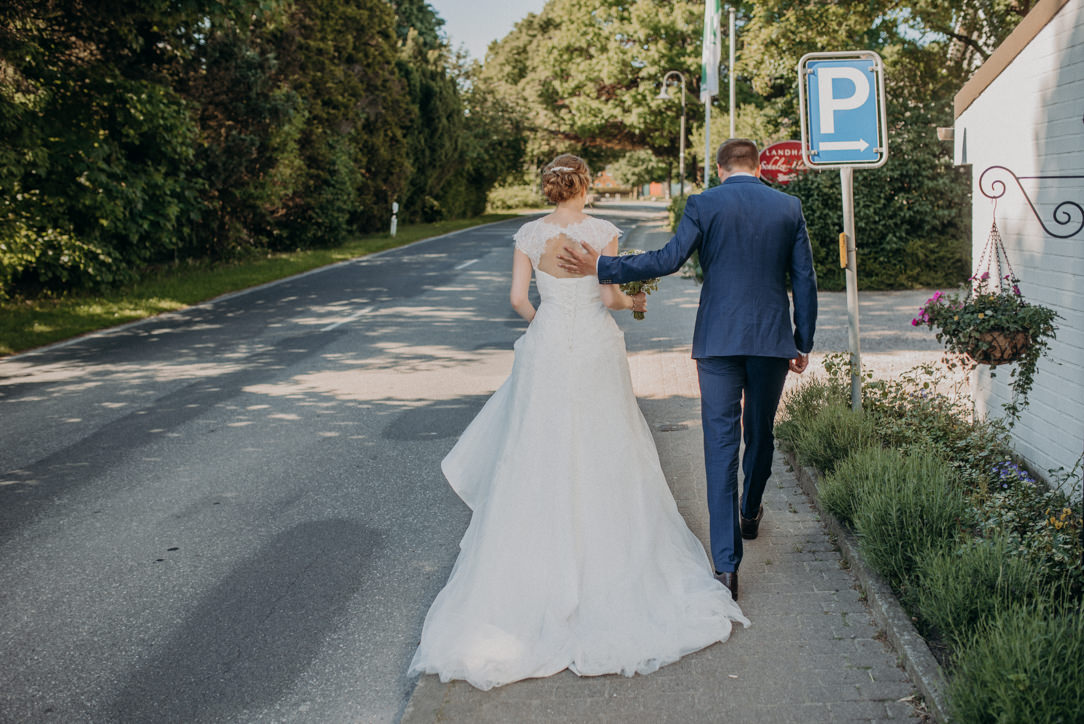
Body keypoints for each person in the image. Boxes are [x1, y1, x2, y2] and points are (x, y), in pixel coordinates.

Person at [408, 154, 749, 691]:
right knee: (607, 444)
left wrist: (545, 325)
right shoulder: (602, 231)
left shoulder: (529, 234)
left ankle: (526, 574)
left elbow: (519, 299)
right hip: (593, 347)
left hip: (547, 350)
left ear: (550, 187)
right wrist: (634, 301)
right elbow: (609, 294)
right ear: (584, 185)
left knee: (538, 448)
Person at [557, 139, 818, 600]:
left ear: (719, 168)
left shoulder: (704, 203)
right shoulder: (788, 206)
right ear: (758, 167)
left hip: (717, 341)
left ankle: (726, 567)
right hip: (770, 340)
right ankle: (751, 511)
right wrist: (802, 340)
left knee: (719, 445)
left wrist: (600, 265)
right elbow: (804, 280)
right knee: (760, 432)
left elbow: (669, 259)